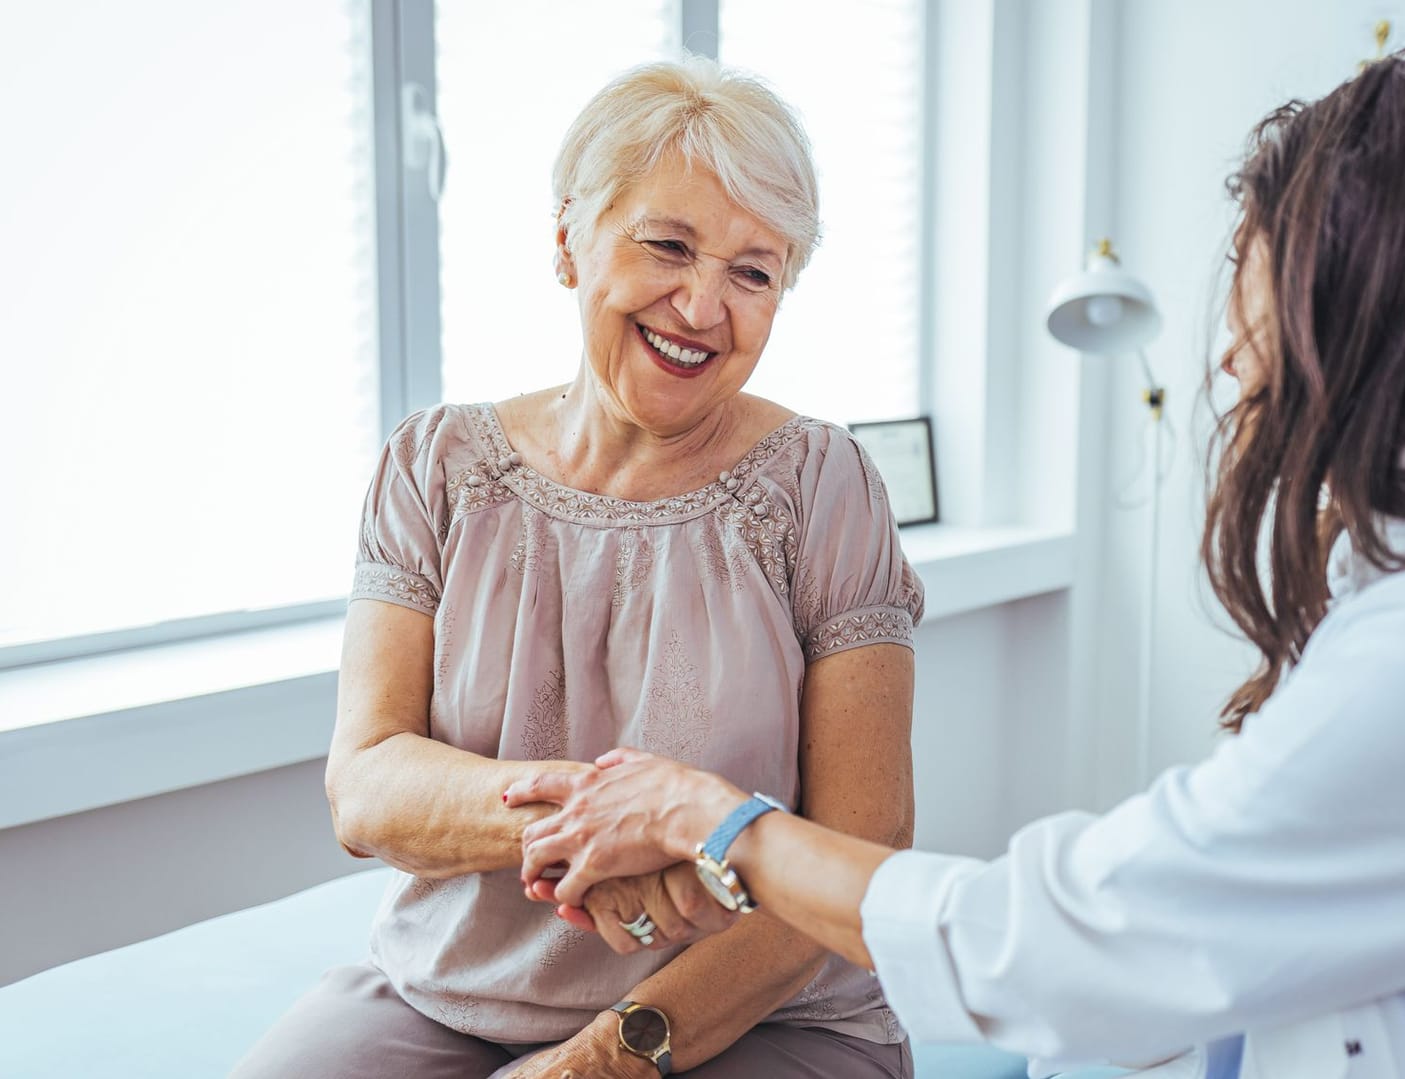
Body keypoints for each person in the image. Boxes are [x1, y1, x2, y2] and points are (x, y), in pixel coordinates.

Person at [506, 46, 1405, 1079]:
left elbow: (1068, 942)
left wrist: (709, 817)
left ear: (1338, 285)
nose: (1228, 351)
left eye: (1248, 265)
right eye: (665, 247)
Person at [233, 58, 923, 1079]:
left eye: (753, 270)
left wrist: (608, 1052)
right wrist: (606, 822)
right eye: (668, 245)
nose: (701, 304)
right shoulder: (435, 465)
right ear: (569, 241)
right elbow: (368, 785)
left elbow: (866, 843)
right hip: (448, 996)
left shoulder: (826, 486)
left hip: (769, 1008)